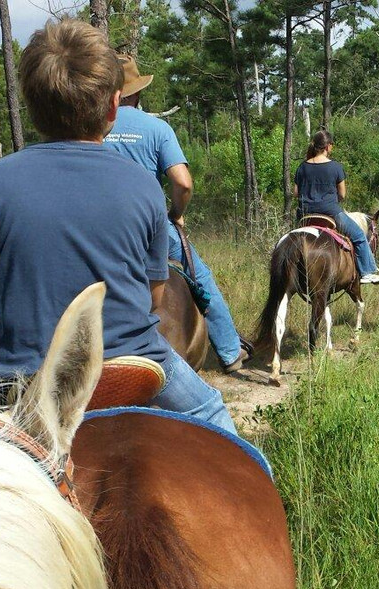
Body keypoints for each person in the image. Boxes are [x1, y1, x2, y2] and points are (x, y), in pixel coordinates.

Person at [0, 19, 237, 435]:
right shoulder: (143, 188)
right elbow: (153, 299)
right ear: (114, 106)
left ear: (31, 104)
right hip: (126, 365)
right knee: (213, 417)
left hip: (11, 376)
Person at [104, 56, 250, 373]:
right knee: (201, 280)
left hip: (100, 229)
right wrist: (175, 213)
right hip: (151, 226)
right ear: (137, 93)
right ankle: (229, 352)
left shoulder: (93, 129)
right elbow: (183, 182)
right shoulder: (157, 128)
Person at [293, 130, 379, 285]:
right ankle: (367, 272)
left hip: (304, 215)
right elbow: (342, 194)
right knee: (359, 237)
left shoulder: (302, 167)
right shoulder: (335, 167)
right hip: (330, 213)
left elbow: (295, 193)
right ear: (328, 146)